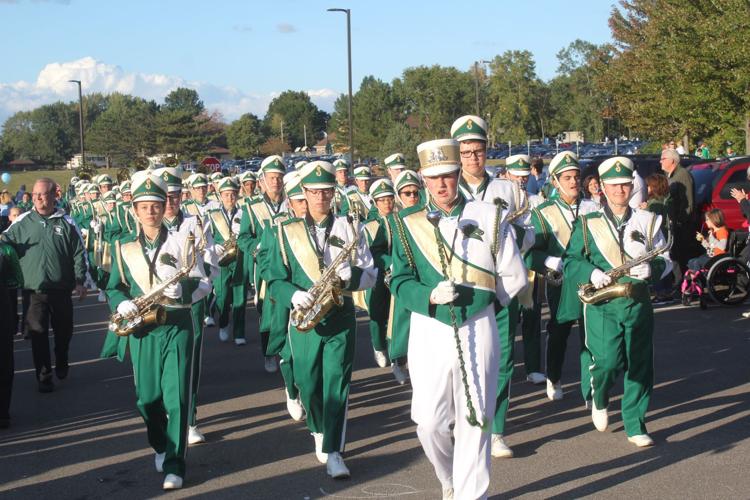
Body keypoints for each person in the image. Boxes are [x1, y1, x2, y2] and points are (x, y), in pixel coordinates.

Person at [390, 138, 526, 500]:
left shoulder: (489, 215)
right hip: (428, 327)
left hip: (478, 325)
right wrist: (427, 296)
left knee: (476, 419)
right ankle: (449, 478)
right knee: (429, 421)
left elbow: (513, 276)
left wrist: (483, 308)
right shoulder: (406, 223)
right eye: (433, 178)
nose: (441, 185)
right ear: (422, 178)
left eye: (448, 175)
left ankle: (472, 494)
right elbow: (399, 279)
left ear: (458, 173)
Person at [264, 160, 376, 479]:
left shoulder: (350, 227)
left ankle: (334, 451)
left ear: (333, 193)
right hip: (304, 319)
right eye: (314, 192)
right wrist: (291, 295)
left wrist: (349, 277)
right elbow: (273, 278)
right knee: (309, 383)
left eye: (327, 192)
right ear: (304, 193)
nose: (321, 198)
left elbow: (370, 274)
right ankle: (316, 427)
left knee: (336, 384)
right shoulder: (286, 232)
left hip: (339, 317)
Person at [103, 170, 212, 490]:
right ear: (134, 210)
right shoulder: (122, 247)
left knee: (177, 399)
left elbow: (204, 280)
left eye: (156, 204)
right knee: (147, 400)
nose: (151, 211)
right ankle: (161, 446)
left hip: (177, 325)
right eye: (144, 206)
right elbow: (114, 287)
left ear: (165, 205)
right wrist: (119, 301)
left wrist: (187, 290)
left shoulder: (182, 240)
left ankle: (176, 465)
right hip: (143, 330)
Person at [561, 156, 672, 448]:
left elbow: (666, 259)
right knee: (608, 361)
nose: (620, 190)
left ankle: (635, 423)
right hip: (602, 304)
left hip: (638, 302)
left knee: (640, 364)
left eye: (625, 184)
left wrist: (654, 269)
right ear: (603, 188)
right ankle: (599, 397)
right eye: (614, 185)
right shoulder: (587, 223)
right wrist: (591, 271)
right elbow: (571, 261)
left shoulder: (647, 221)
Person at [450, 116, 532, 461]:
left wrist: (513, 238)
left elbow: (529, 230)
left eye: (478, 151)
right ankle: (462, 421)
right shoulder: (445, 187)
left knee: (501, 360)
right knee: (458, 359)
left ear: (487, 151)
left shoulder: (507, 189)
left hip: (500, 288)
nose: (473, 158)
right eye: (466, 152)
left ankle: (496, 430)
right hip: (459, 288)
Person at [0, 178, 88, 392]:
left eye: (43, 194)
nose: (38, 198)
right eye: (36, 194)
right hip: (34, 289)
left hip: (61, 289)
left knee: (64, 332)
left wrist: (80, 280)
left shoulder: (67, 222)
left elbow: (79, 253)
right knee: (38, 333)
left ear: (54, 195)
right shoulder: (23, 221)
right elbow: (4, 241)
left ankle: (61, 357)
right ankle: (44, 375)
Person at [526, 151, 599, 403]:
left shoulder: (593, 208)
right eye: (566, 177)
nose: (573, 182)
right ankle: (554, 376)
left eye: (576, 176)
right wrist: (548, 261)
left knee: (591, 336)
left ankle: (590, 391)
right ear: (555, 181)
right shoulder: (543, 212)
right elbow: (529, 254)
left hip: (591, 281)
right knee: (559, 334)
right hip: (560, 283)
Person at [237, 155, 288, 371]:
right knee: (267, 312)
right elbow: (243, 238)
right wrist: (258, 247)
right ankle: (268, 351)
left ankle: (286, 351)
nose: (275, 182)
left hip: (290, 266)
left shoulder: (292, 203)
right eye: (271, 178)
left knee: (289, 309)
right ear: (263, 181)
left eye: (279, 177)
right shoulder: (252, 207)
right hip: (264, 269)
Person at [660, 148, 695, 277]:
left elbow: (688, 203)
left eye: (663, 159)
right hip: (675, 224)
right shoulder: (671, 176)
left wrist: (680, 221)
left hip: (682, 226)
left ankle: (686, 287)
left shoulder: (682, 175)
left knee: (682, 258)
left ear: (672, 161)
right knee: (676, 256)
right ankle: (680, 286)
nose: (660, 161)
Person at [640, 173, 673, 303]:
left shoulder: (654, 203)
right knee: (665, 262)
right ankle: (667, 291)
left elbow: (651, 221)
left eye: (648, 186)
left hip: (658, 238)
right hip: (665, 235)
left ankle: (661, 293)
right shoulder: (663, 200)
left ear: (653, 187)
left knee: (657, 264)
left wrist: (644, 210)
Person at [0, 239, 22, 428]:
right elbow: (16, 280)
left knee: (4, 358)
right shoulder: (4, 250)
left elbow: (17, 279)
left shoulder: (5, 250)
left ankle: (3, 412)